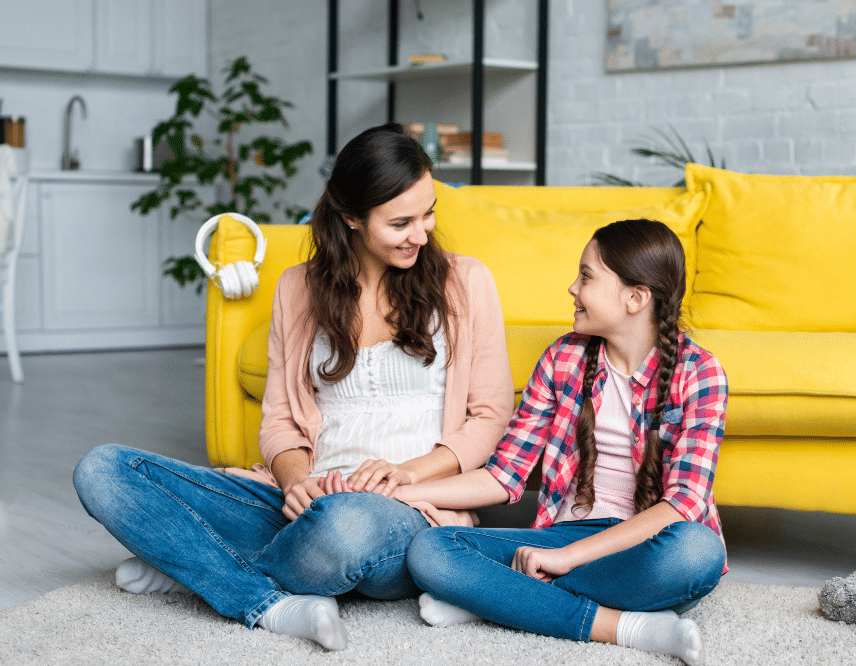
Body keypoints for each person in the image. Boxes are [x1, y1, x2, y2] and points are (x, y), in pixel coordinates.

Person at [73, 124, 514, 651]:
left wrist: (405, 473)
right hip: (298, 506)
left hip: (401, 511)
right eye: (401, 222)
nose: (421, 233)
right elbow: (280, 420)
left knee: (342, 527)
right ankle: (263, 594)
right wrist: (297, 482)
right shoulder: (297, 288)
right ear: (351, 217)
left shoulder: (464, 281)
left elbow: (490, 417)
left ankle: (199, 568)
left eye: (428, 213)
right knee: (102, 469)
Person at [397, 219, 728, 666]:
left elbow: (684, 504)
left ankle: (498, 599)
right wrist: (401, 490)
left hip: (644, 547)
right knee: (431, 551)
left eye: (587, 276)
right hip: (564, 534)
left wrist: (568, 559)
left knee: (698, 553)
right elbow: (504, 475)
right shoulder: (562, 358)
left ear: (636, 297)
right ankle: (624, 627)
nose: (573, 287)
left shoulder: (700, 372)